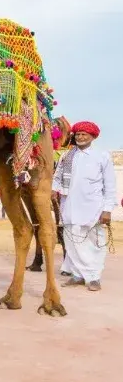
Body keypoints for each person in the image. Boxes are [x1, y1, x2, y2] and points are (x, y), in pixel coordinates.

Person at [53, 121, 116, 292]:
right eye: (78, 134)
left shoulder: (102, 156)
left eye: (84, 135)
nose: (80, 137)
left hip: (93, 208)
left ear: (92, 137)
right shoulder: (67, 156)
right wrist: (53, 190)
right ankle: (78, 275)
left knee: (94, 243)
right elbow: (57, 178)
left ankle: (93, 277)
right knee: (72, 241)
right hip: (70, 207)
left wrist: (107, 210)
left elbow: (110, 185)